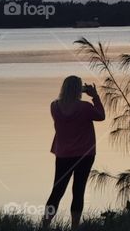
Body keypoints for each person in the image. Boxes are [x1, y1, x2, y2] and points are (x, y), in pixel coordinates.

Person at [42, 76, 106, 229]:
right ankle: (74, 227)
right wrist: (95, 96)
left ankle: (45, 225)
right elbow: (101, 116)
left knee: (57, 191)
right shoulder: (85, 107)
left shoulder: (54, 107)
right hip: (85, 155)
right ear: (79, 90)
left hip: (63, 155)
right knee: (78, 190)